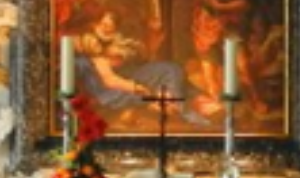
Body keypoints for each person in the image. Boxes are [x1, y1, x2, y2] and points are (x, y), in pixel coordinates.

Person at [74, 11, 210, 126]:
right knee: (171, 71)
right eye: (103, 24)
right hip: (118, 86)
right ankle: (182, 109)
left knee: (174, 71)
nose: (107, 28)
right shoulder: (91, 45)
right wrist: (136, 88)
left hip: (130, 76)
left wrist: (153, 44)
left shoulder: (117, 42)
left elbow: (140, 61)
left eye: (111, 26)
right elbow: (110, 79)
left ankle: (188, 104)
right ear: (94, 24)